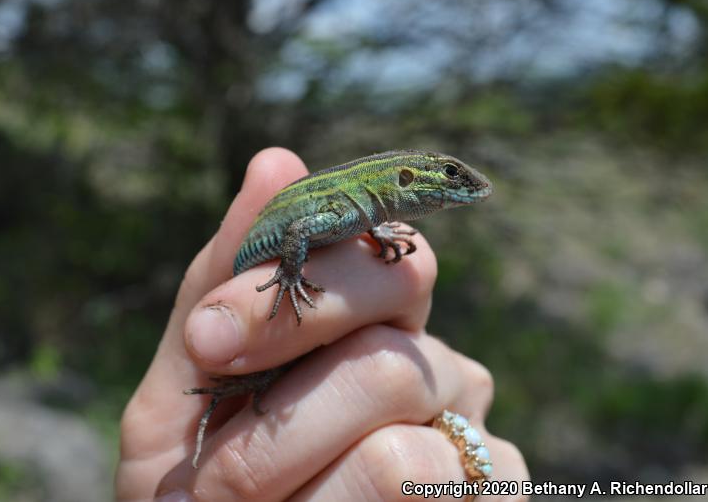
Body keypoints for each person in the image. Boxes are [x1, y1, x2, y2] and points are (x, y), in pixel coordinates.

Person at [115, 148, 529, 501]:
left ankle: (252, 384)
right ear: (404, 178)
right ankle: (244, 383)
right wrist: (291, 275)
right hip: (249, 268)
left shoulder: (363, 216)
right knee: (277, 346)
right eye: (451, 175)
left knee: (298, 358)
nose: (462, 184)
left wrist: (376, 232)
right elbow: (300, 228)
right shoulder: (350, 210)